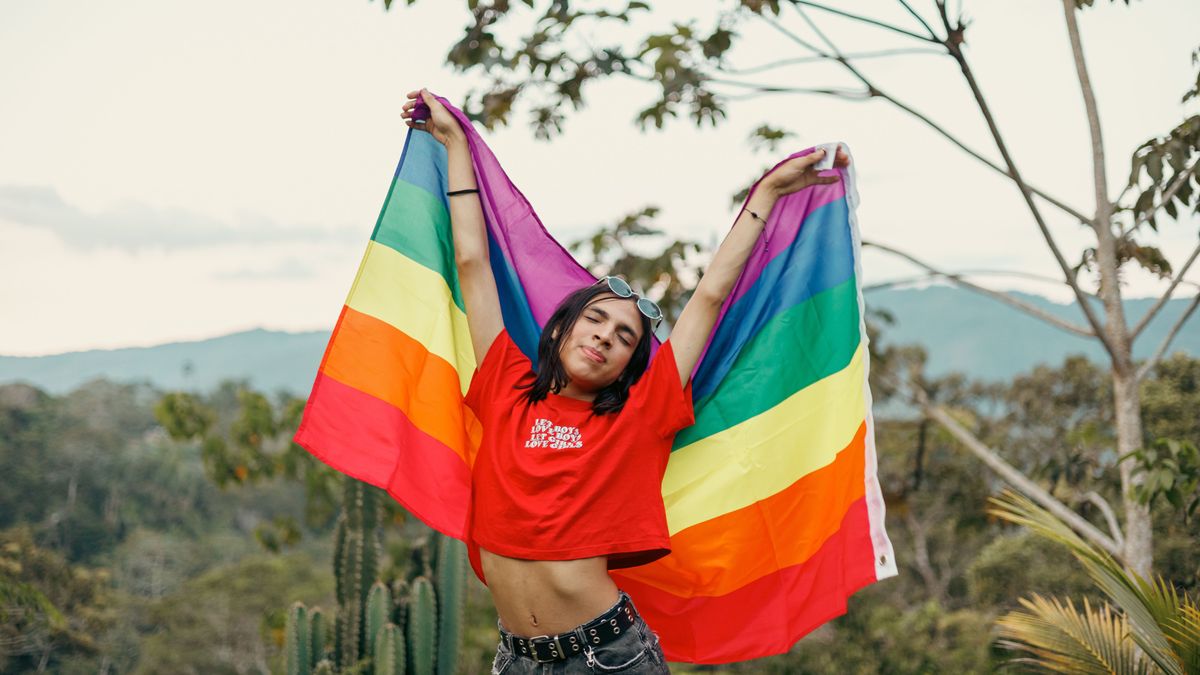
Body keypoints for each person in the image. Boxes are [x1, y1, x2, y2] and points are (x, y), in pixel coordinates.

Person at [401, 87, 847, 674]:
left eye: (626, 336)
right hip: (515, 661)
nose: (606, 335)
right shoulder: (503, 386)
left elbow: (710, 297)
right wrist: (456, 144)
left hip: (607, 658)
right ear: (561, 329)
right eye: (595, 319)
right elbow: (472, 264)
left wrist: (765, 193)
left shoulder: (640, 413)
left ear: (631, 364)